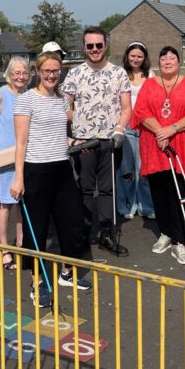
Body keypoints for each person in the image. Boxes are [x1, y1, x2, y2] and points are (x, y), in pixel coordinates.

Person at [11, 52, 90, 307]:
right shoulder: (26, 100)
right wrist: (18, 178)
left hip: (62, 169)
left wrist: (76, 142)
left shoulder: (61, 101)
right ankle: (37, 282)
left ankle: (66, 272)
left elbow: (61, 135)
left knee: (72, 222)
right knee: (38, 228)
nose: (51, 75)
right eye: (46, 70)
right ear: (38, 71)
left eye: (56, 70)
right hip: (36, 171)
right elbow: (21, 142)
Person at [131, 46, 185, 265]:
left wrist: (171, 129)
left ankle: (179, 241)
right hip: (154, 146)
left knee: (179, 193)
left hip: (179, 146)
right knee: (159, 191)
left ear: (179, 62)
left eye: (172, 58)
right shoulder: (149, 84)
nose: (167, 61)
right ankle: (165, 232)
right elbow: (141, 112)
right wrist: (159, 131)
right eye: (163, 58)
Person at [62, 27, 132, 257]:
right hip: (84, 143)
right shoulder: (74, 74)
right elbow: (65, 106)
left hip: (109, 142)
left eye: (98, 45)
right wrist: (79, 127)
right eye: (90, 45)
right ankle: (83, 235)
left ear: (106, 45)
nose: (94, 49)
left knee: (108, 189)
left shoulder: (118, 73)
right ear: (84, 47)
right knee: (84, 188)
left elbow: (126, 108)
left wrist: (120, 129)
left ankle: (106, 233)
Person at [0, 57, 29, 270]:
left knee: (22, 204)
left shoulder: (29, 95)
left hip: (25, 157)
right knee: (4, 205)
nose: (20, 77)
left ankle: (20, 245)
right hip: (5, 160)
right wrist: (0, 155)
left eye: (24, 73)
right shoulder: (0, 94)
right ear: (9, 74)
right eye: (16, 73)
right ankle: (4, 250)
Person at [116, 42, 156, 220]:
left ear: (144, 58)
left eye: (139, 56)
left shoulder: (151, 75)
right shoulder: (119, 74)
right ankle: (127, 205)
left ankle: (146, 206)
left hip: (145, 128)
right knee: (126, 170)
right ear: (127, 56)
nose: (136, 59)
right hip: (126, 127)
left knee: (144, 170)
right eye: (133, 55)